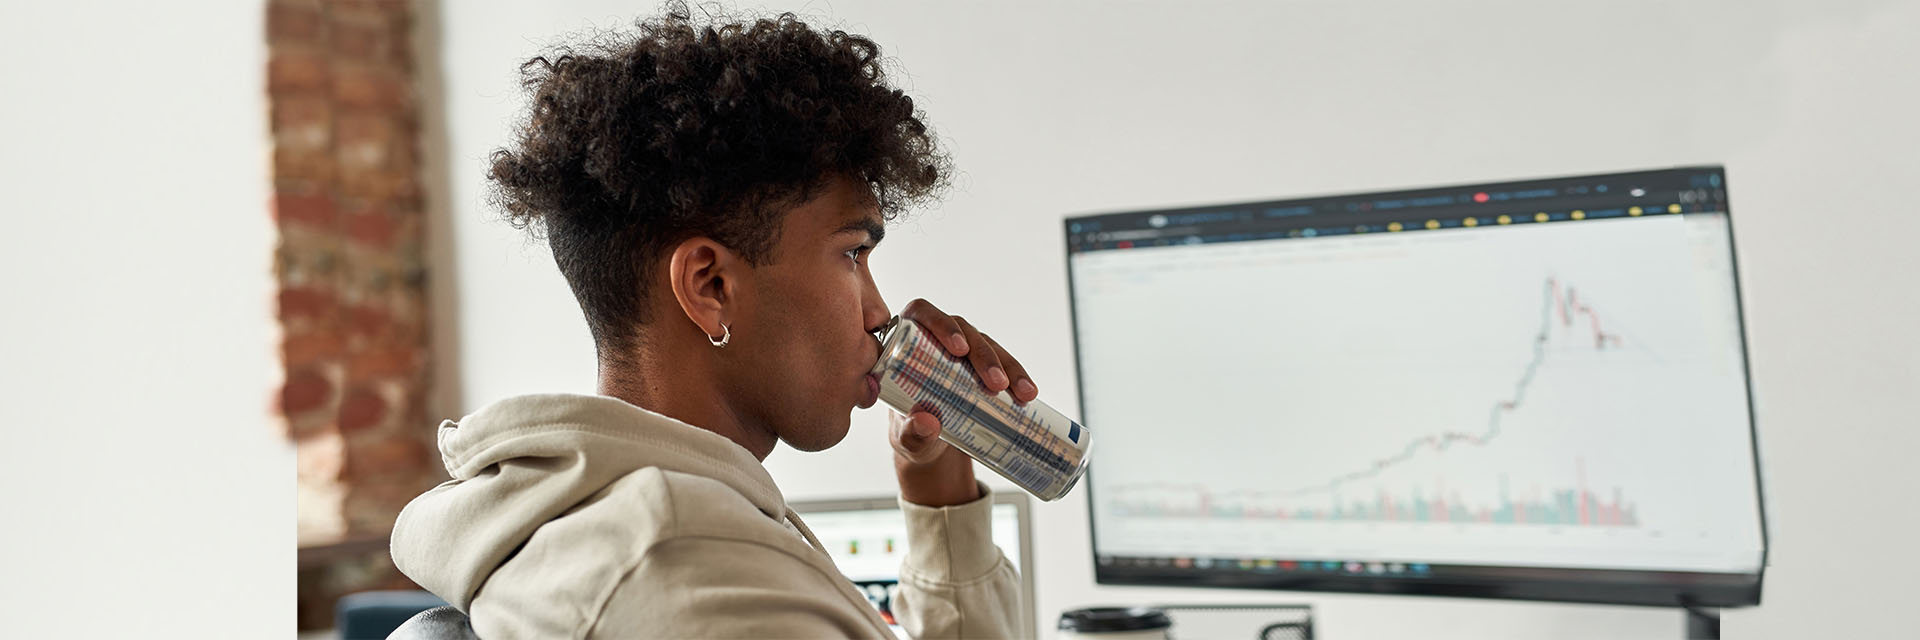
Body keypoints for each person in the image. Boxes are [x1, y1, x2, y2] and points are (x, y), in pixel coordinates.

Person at [390, 6, 1036, 639]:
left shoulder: (617, 526)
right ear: (711, 287)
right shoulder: (694, 575)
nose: (878, 313)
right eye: (851, 254)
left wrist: (937, 488)